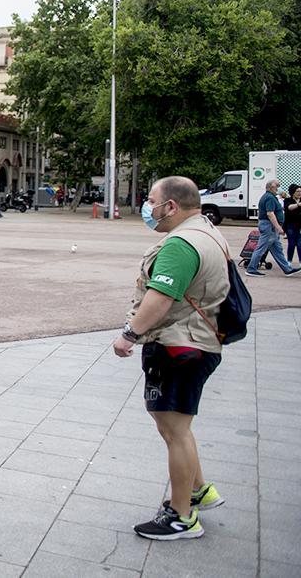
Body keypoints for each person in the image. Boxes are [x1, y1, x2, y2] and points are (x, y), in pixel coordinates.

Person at [112, 176, 231, 541]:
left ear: (172, 206)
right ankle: (197, 490)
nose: (149, 207)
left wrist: (129, 334)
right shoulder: (208, 232)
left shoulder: (181, 245)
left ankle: (182, 517)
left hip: (181, 345)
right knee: (177, 425)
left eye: (151, 201)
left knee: (173, 429)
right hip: (200, 339)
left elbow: (160, 298)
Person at [246, 178, 297, 276]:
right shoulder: (269, 198)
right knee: (261, 248)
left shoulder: (269, 197)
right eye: (277, 186)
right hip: (269, 226)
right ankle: (251, 268)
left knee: (277, 249)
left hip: (269, 226)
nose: (278, 188)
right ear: (271, 187)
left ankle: (287, 269)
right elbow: (270, 214)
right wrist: (278, 227)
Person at [285, 184, 301, 264]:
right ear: (293, 192)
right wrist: (298, 205)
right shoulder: (288, 200)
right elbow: (289, 207)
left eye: (300, 191)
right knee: (291, 243)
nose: (299, 193)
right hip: (290, 226)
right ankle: (289, 261)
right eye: (297, 191)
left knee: (300, 244)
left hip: (299, 226)